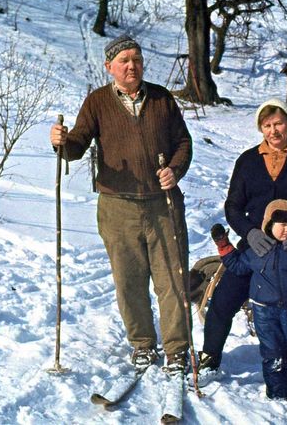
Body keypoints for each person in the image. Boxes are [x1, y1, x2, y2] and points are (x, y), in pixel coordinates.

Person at [49, 35, 193, 373]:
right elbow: (77, 146)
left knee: (171, 278)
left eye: (137, 59)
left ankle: (176, 350)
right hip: (117, 207)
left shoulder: (161, 99)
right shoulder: (98, 101)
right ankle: (143, 345)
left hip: (163, 204)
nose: (132, 65)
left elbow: (183, 142)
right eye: (124, 60)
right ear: (109, 67)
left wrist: (175, 169)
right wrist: (61, 142)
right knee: (129, 281)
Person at [198, 98, 287, 388]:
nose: (274, 130)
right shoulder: (248, 161)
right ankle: (210, 357)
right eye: (267, 125)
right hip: (256, 249)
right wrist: (249, 232)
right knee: (224, 299)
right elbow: (233, 206)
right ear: (261, 128)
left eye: (279, 123)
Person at [210, 200, 287, 400]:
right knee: (272, 351)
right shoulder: (258, 250)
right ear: (268, 224)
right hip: (264, 311)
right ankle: (278, 392)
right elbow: (238, 266)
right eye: (282, 225)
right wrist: (224, 245)